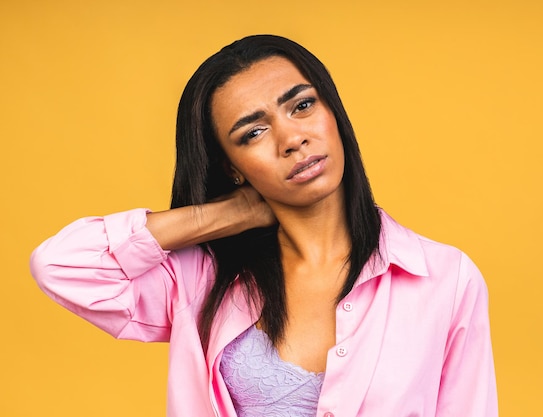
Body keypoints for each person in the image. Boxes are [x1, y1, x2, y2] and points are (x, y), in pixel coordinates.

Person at [30, 35, 498, 417]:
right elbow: (60, 266)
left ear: (332, 111)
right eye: (253, 133)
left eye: (302, 106)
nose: (292, 138)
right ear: (232, 166)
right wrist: (229, 213)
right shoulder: (199, 279)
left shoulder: (445, 280)